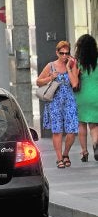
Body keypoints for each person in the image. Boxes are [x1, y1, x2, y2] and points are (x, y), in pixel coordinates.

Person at [36, 40, 79, 168]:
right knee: (57, 131)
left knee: (72, 131)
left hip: (69, 101)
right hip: (55, 101)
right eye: (62, 53)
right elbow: (38, 81)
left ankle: (66, 154)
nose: (64, 56)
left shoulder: (72, 65)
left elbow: (75, 83)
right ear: (57, 52)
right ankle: (59, 158)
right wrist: (50, 78)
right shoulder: (51, 66)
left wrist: (68, 68)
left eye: (67, 53)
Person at [72, 33, 98, 161]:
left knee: (81, 124)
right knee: (94, 125)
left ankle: (84, 152)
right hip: (96, 96)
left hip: (81, 96)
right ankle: (96, 144)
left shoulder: (77, 63)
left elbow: (73, 81)